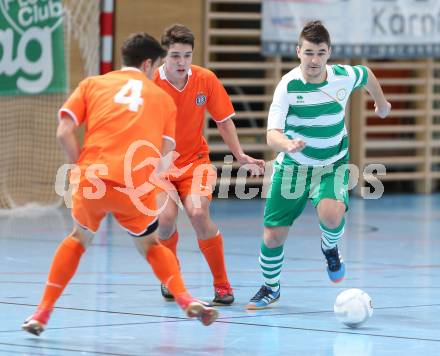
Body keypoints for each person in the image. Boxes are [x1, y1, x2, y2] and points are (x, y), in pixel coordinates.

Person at [22, 33, 218, 336]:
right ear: (147, 63)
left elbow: (64, 131)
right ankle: (184, 297)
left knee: (78, 239)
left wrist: (80, 165)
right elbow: (165, 158)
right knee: (150, 244)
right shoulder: (163, 99)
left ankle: (42, 311)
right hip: (132, 186)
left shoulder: (92, 84)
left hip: (92, 179)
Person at [246, 21, 391, 309]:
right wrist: (286, 144)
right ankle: (271, 288)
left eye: (321, 53)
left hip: (333, 163)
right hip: (293, 167)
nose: (314, 60)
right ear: (298, 51)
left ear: (329, 53)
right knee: (273, 235)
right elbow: (271, 134)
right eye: (309, 52)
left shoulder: (343, 76)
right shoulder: (287, 86)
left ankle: (330, 247)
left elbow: (366, 74)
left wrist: (381, 101)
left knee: (332, 214)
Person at [153, 24, 265, 305]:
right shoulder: (149, 84)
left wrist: (240, 156)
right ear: (163, 56)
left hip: (195, 162)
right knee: (165, 221)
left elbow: (224, 121)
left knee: (198, 213)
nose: (181, 62)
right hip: (158, 167)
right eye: (175, 56)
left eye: (187, 56)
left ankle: (222, 285)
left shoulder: (205, 79)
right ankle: (171, 275)